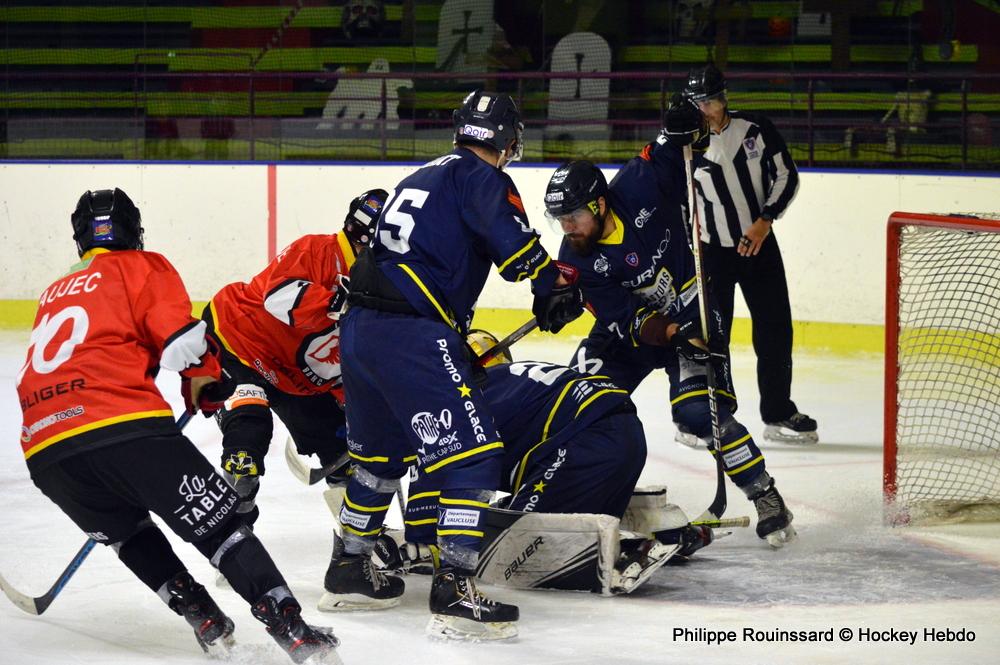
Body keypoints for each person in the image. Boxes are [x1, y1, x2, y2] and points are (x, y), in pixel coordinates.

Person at [15, 189, 340, 663]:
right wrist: (208, 378)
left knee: (129, 534)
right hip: (123, 429)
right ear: (134, 230)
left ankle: (202, 615)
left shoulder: (53, 291)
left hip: (45, 451)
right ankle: (293, 630)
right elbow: (181, 343)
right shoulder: (141, 266)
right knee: (222, 528)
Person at [331, 90, 584, 640]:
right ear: (507, 137)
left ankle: (348, 566)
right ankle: (455, 590)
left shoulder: (423, 174)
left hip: (359, 331)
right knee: (475, 456)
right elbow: (515, 247)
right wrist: (551, 286)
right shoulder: (482, 177)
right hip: (410, 333)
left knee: (379, 460)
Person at [544, 158, 797, 549]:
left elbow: (673, 147)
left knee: (698, 413)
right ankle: (567, 498)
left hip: (692, 312)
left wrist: (684, 131)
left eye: (573, 216)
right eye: (560, 218)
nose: (567, 226)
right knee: (574, 402)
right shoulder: (575, 256)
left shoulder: (638, 185)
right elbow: (626, 318)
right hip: (631, 333)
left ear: (600, 204)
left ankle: (766, 495)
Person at [202, 188, 391, 610]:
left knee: (351, 456)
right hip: (239, 342)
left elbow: (351, 360)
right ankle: (231, 547)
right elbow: (277, 296)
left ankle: (359, 545)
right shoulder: (317, 250)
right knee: (247, 440)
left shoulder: (384, 280)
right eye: (363, 238)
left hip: (299, 380)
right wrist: (337, 301)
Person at [656, 63, 817, 445]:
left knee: (776, 329)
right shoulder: (680, 142)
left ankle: (778, 412)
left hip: (758, 245)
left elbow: (786, 176)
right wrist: (686, 244)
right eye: (698, 103)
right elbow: (671, 196)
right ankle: (705, 415)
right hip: (711, 253)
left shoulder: (755, 129)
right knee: (711, 335)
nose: (705, 110)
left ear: (723, 98)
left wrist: (765, 220)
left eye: (710, 101)